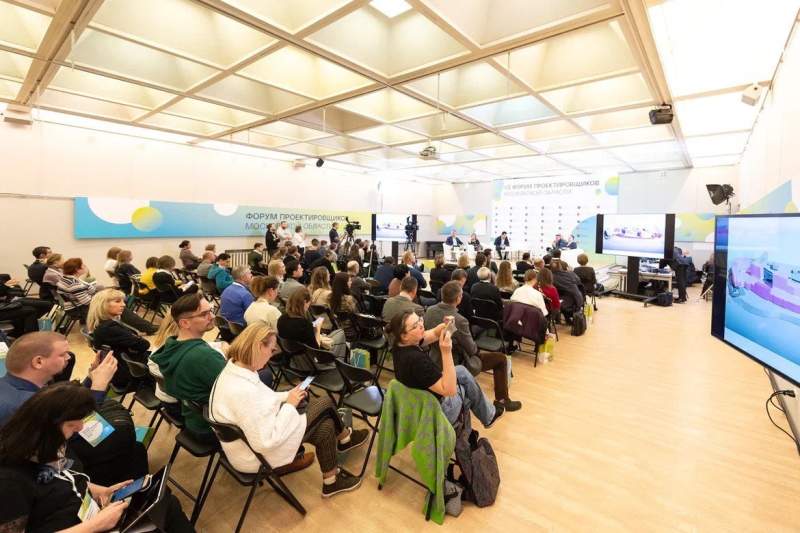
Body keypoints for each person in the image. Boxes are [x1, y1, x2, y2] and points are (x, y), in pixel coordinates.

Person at [0, 383, 195, 532]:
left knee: (163, 502)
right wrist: (96, 525)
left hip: (89, 514)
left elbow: (66, 477)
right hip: (87, 526)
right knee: (162, 512)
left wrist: (101, 491)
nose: (80, 428)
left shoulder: (47, 447)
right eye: (72, 425)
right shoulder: (10, 482)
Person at [209, 323, 366, 496]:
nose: (272, 355)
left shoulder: (235, 369)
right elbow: (266, 442)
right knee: (325, 403)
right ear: (259, 346)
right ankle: (346, 438)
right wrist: (290, 405)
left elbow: (263, 399)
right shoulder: (242, 391)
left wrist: (287, 395)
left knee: (326, 426)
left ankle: (331, 481)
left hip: (250, 444)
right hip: (255, 456)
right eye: (271, 350)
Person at [0, 332, 151, 484]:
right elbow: (78, 427)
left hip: (49, 453)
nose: (68, 357)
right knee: (128, 443)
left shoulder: (12, 385)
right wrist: (99, 386)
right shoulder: (26, 404)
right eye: (62, 354)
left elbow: (67, 406)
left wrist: (91, 378)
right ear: (38, 362)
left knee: (135, 449)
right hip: (54, 467)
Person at [388, 310, 503, 428]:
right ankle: (477, 423)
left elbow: (433, 333)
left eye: (420, 320)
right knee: (467, 390)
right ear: (404, 336)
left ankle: (488, 416)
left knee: (461, 371)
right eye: (415, 326)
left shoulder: (399, 345)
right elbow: (450, 390)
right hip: (437, 410)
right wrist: (446, 351)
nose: (421, 325)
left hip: (417, 401)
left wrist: (446, 327)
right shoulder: (417, 361)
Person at [424, 281, 521, 411]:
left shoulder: (429, 311)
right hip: (456, 363)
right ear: (458, 298)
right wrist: (476, 349)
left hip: (433, 359)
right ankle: (503, 400)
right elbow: (471, 349)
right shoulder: (460, 320)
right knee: (501, 359)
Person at [151, 294, 226, 442]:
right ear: (185, 323)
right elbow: (237, 392)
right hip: (215, 428)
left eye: (211, 311)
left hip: (193, 420)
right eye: (204, 314)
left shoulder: (171, 346)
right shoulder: (203, 356)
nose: (212, 316)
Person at [87, 289, 150, 388]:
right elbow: (144, 345)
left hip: (119, 369)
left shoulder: (100, 324)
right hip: (127, 374)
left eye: (123, 301)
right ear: (103, 305)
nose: (123, 305)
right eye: (117, 301)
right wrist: (135, 336)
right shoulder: (109, 328)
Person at [277, 288, 347, 359]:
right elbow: (316, 350)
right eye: (309, 303)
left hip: (294, 359)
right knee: (340, 333)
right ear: (305, 302)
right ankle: (339, 362)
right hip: (313, 360)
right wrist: (317, 330)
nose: (308, 307)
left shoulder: (281, 319)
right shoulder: (304, 325)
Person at [57, 257, 99, 323]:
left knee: (101, 290)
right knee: (106, 304)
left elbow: (90, 289)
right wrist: (100, 299)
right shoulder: (74, 284)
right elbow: (87, 302)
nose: (84, 266)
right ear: (77, 269)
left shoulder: (65, 278)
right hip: (77, 308)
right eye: (82, 265)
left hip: (73, 305)